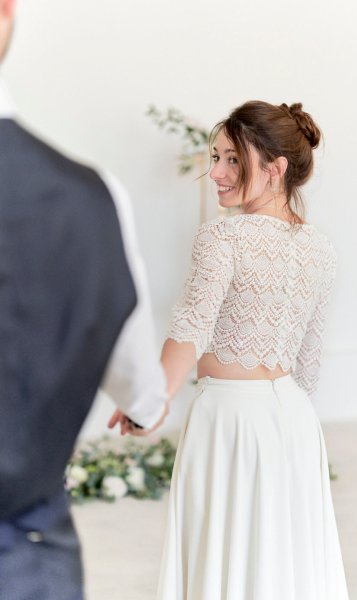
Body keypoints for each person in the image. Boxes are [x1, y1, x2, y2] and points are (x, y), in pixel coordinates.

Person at [112, 98, 349, 598]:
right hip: (295, 423)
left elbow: (189, 330)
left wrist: (149, 403)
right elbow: (308, 363)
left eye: (233, 159)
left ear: (276, 168)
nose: (216, 172)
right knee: (284, 563)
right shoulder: (320, 249)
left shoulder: (222, 239)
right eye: (215, 157)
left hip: (229, 423)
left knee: (223, 561)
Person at [0, 2, 169, 599]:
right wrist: (147, 407)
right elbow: (136, 377)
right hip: (24, 551)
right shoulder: (91, 197)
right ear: (6, 13)